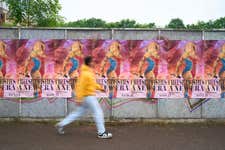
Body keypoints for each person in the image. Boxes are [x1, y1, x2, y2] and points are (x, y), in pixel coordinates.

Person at [55, 56, 112, 139]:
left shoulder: (88, 72)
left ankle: (61, 124)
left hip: (86, 97)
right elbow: (80, 86)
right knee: (98, 112)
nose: (94, 63)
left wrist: (100, 88)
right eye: (92, 61)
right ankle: (101, 133)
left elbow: (91, 84)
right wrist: (78, 99)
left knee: (77, 113)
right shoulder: (86, 73)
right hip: (88, 97)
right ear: (89, 63)